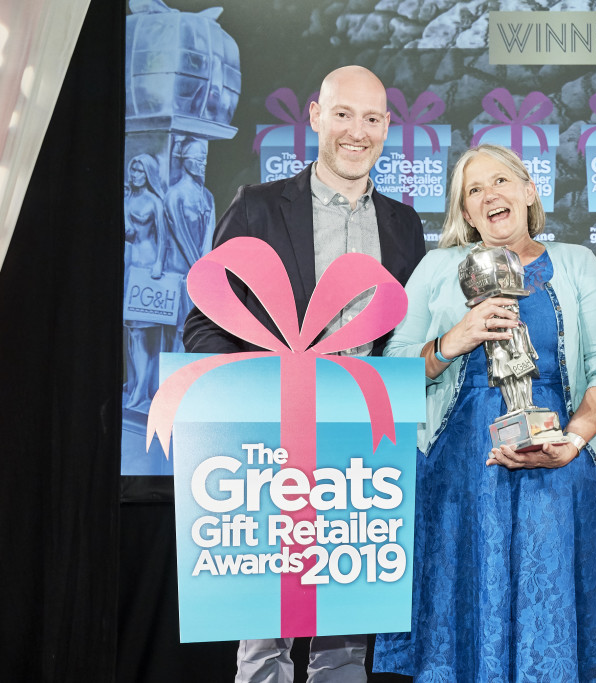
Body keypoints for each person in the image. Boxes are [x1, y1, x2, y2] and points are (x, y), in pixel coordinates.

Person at [183, 65, 425, 683]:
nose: (357, 131)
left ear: (387, 127)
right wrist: (254, 395)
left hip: (362, 445)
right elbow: (205, 323)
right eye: (344, 114)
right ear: (315, 115)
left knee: (344, 640)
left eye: (372, 119)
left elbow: (411, 340)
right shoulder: (260, 207)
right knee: (264, 638)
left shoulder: (404, 225)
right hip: (271, 440)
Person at [372, 144, 596, 681]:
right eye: (474, 191)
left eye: (501, 181)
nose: (490, 195)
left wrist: (575, 437)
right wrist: (453, 340)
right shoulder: (438, 267)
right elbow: (393, 367)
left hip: (560, 464)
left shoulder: (575, 262)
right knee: (464, 624)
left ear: (528, 192)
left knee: (552, 626)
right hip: (461, 474)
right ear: (466, 214)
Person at [123, 153, 170, 411]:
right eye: (133, 170)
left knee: (144, 330)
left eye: (140, 171)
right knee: (132, 331)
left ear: (148, 174)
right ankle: (136, 384)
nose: (135, 175)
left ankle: (143, 387)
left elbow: (163, 237)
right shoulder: (126, 198)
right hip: (127, 266)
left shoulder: (154, 202)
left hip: (146, 266)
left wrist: (159, 264)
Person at [164, 137, 216, 352]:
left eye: (204, 159)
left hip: (200, 272)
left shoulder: (207, 196)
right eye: (197, 158)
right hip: (179, 273)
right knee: (178, 331)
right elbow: (181, 234)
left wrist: (207, 268)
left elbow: (209, 235)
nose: (202, 163)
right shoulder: (174, 195)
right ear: (184, 160)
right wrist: (198, 267)